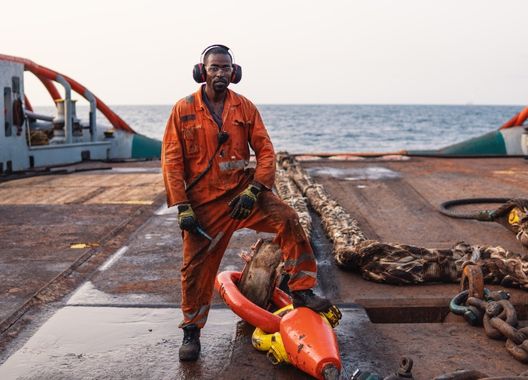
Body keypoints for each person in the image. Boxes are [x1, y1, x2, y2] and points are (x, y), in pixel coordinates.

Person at [161, 44, 332, 362]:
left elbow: (266, 151)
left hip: (244, 194)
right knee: (194, 270)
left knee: (288, 219)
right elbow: (171, 160)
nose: (220, 73)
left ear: (234, 72)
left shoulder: (245, 108)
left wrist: (255, 190)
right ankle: (191, 331)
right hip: (204, 205)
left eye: (226, 68)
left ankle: (301, 290)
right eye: (214, 68)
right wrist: (182, 205)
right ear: (202, 71)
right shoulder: (182, 109)